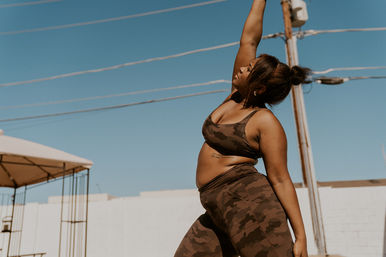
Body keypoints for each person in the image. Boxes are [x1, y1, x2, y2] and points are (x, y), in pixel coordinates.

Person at [174, 0, 310, 256]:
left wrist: (301, 235)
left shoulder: (265, 121)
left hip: (249, 206)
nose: (241, 68)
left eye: (249, 69)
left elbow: (280, 179)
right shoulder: (234, 97)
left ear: (259, 88)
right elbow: (248, 40)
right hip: (215, 207)